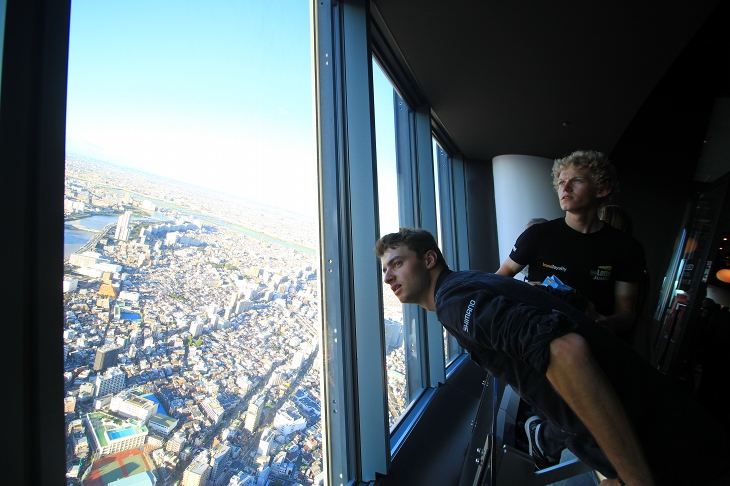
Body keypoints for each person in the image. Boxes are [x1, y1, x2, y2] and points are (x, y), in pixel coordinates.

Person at [376, 227, 729, 486]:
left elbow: (565, 352)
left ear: (429, 259)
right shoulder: (472, 283)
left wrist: (636, 478)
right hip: (668, 428)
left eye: (397, 263)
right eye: (385, 269)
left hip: (666, 450)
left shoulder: (454, 303)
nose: (388, 276)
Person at [496, 150, 646, 342]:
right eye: (561, 182)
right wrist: (524, 290)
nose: (565, 188)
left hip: (592, 343)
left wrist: (606, 322)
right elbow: (499, 280)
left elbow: (626, 315)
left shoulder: (627, 248)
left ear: (602, 189)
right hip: (537, 340)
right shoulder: (538, 234)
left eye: (577, 181)